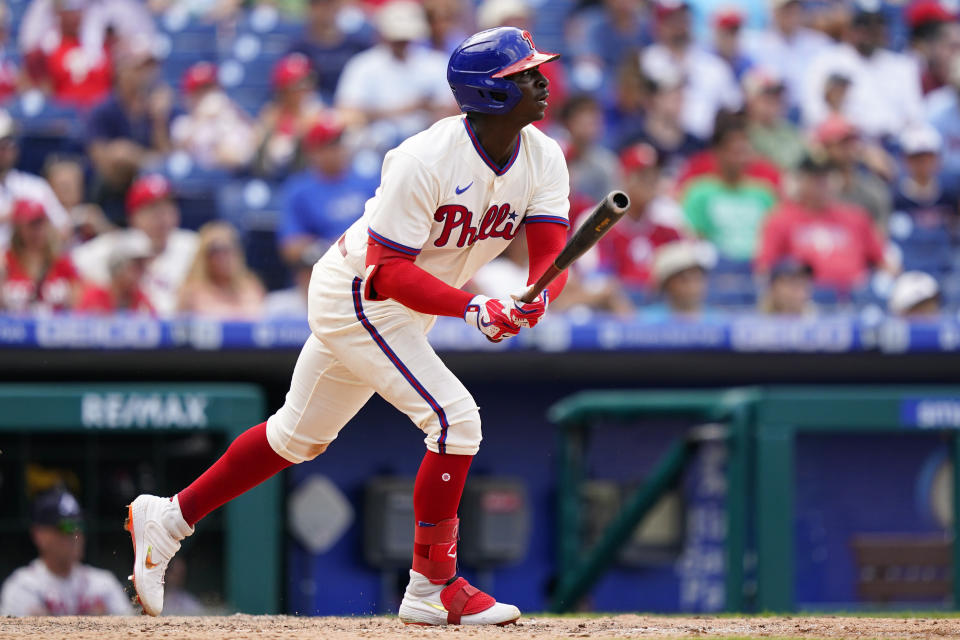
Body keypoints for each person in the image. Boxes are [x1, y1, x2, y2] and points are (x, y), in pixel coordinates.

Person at [125, 27, 569, 626]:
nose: (541, 82)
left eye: (538, 71)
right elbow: (388, 274)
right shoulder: (424, 158)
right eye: (524, 76)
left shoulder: (544, 156)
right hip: (358, 293)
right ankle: (432, 585)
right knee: (454, 419)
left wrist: (535, 297)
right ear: (489, 93)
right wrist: (472, 308)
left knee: (295, 438)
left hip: (405, 304)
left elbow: (550, 255)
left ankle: (169, 518)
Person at [755, 153, 890, 292]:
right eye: (815, 178)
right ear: (800, 181)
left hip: (857, 296)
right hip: (805, 300)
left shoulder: (856, 217)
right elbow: (765, 269)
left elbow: (884, 263)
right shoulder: (780, 219)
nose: (822, 184)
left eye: (826, 177)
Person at [334, 0, 457, 151]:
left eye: (405, 38)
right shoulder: (364, 65)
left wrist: (431, 108)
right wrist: (404, 109)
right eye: (396, 39)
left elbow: (453, 110)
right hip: (377, 142)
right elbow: (347, 113)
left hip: (427, 139)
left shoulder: (434, 63)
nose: (402, 43)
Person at [71, 174, 198, 316]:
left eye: (168, 206)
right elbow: (71, 265)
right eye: (153, 208)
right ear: (133, 216)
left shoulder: (191, 245)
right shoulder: (117, 244)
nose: (163, 215)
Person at [802, 0, 923, 140]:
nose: (871, 32)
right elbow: (815, 114)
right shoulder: (826, 62)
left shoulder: (902, 65)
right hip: (849, 143)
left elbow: (915, 118)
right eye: (864, 26)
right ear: (850, 28)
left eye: (878, 25)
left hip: (897, 143)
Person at [0, 488, 132, 616]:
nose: (76, 535)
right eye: (67, 527)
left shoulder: (104, 584)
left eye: (79, 525)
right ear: (39, 534)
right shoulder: (22, 587)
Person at [85, 38, 174, 223]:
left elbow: (169, 160)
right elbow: (104, 162)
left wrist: (159, 121)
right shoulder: (103, 110)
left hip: (150, 195)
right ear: (122, 70)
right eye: (139, 68)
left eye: (150, 68)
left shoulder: (157, 108)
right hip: (113, 197)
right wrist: (145, 160)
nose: (147, 75)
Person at [278, 115, 378, 267]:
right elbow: (290, 247)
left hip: (369, 262)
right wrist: (329, 246)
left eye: (339, 142)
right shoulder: (300, 191)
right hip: (327, 268)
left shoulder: (367, 181)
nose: (338, 150)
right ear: (313, 152)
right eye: (330, 145)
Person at [681, 110, 778, 262]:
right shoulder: (699, 192)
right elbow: (694, 238)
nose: (741, 158)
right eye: (735, 152)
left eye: (744, 151)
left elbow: (773, 238)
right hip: (716, 268)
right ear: (718, 152)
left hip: (756, 267)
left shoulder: (764, 194)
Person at [641, 0, 742, 139]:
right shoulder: (647, 61)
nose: (678, 26)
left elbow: (734, 108)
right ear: (658, 26)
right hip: (663, 142)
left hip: (710, 144)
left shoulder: (713, 65)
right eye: (671, 20)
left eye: (682, 19)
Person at [597, 143, 683, 291]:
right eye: (643, 176)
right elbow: (597, 278)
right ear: (625, 178)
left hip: (662, 307)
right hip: (616, 308)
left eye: (654, 175)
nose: (650, 182)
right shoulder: (602, 223)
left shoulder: (668, 220)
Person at [0, 110, 72, 248]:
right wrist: (8, 216)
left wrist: (33, 220)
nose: (3, 151)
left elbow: (64, 229)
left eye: (7, 144)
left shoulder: (34, 186)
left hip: (33, 261)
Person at [742, 0, 830, 111]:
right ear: (773, 12)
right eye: (785, 9)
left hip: (812, 110)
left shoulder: (819, 43)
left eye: (793, 7)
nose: (790, 13)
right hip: (774, 112)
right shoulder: (755, 45)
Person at [170, 62, 257, 171]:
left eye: (210, 88)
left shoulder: (230, 116)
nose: (207, 95)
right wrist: (201, 117)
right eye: (200, 91)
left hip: (239, 176)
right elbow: (180, 150)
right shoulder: (183, 124)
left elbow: (256, 138)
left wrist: (234, 110)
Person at [287, 0, 376, 104]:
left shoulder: (356, 44)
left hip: (352, 105)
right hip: (315, 107)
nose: (326, 10)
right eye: (320, 5)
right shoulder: (300, 47)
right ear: (311, 9)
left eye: (331, 4)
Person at [1, 199, 80, 314]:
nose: (38, 230)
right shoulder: (5, 262)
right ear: (18, 228)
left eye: (42, 223)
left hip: (54, 329)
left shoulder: (62, 262)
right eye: (32, 224)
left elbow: (77, 308)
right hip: (15, 329)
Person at [814, 115, 892, 229]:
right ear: (826, 148)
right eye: (842, 143)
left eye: (852, 141)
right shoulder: (814, 190)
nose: (849, 148)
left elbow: (880, 235)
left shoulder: (872, 188)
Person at [255, 53, 326, 177]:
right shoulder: (272, 113)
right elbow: (260, 153)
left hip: (311, 175)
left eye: (307, 83)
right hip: (277, 176)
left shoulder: (316, 110)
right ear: (283, 90)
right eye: (297, 85)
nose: (304, 89)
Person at [176, 221, 265, 319]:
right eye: (215, 250)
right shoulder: (190, 292)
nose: (222, 257)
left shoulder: (251, 287)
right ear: (203, 256)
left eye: (227, 249)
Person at [893, 124, 957, 230]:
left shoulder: (950, 193)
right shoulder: (895, 196)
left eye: (929, 157)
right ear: (905, 160)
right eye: (917, 158)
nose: (924, 163)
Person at [560, 94, 620, 204]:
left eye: (595, 114)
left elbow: (612, 208)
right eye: (584, 113)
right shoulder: (553, 154)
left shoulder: (607, 163)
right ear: (568, 121)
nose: (591, 119)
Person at [75, 231, 154, 314]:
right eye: (136, 267)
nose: (141, 273)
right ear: (118, 268)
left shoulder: (139, 298)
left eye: (142, 267)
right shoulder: (96, 296)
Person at [742, 67, 804, 170]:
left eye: (778, 96)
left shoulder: (790, 130)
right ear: (749, 99)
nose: (774, 102)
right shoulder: (741, 133)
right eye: (767, 96)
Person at [645, 239, 713, 318]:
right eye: (684, 280)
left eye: (698, 278)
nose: (693, 286)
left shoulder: (721, 321)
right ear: (666, 284)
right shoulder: (645, 320)